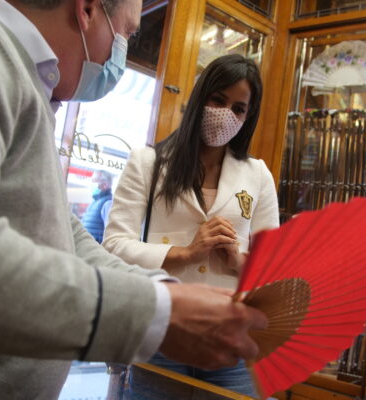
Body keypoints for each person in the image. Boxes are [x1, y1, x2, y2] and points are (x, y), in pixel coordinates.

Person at [0, 1, 267, 398]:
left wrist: (164, 294)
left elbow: (66, 235)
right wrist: (153, 314)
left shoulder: (19, 79)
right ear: (87, 9)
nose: (120, 52)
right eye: (126, 33)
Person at [102, 54, 280, 397]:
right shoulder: (148, 163)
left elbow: (274, 267)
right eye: (218, 100)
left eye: (238, 108)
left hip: (232, 336)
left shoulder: (257, 174)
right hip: (163, 329)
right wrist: (185, 253)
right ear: (200, 98)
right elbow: (114, 245)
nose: (225, 114)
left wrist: (238, 260)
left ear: (248, 117)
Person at [82, 169, 114, 242]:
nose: (91, 184)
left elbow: (110, 232)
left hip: (95, 247)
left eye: (94, 181)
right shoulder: (94, 202)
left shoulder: (108, 203)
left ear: (105, 185)